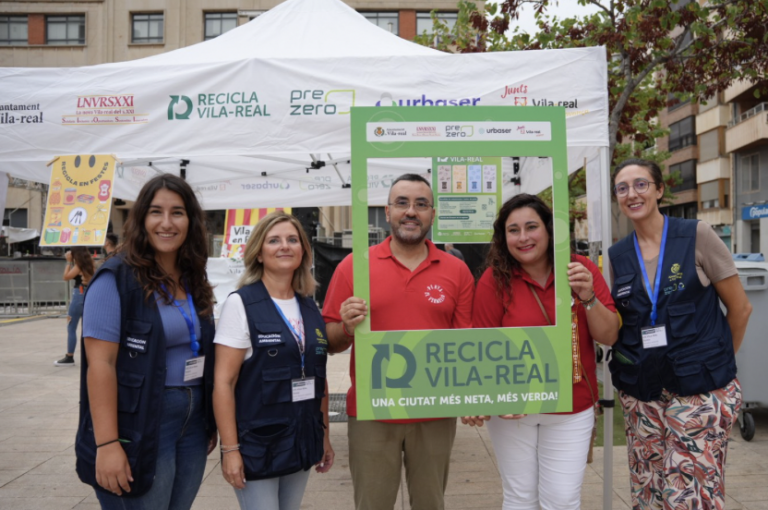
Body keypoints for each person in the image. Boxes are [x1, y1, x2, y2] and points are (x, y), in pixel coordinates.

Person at [323, 173, 474, 510]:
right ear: (388, 211)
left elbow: (466, 342)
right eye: (402, 203)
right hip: (372, 410)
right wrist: (345, 327)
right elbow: (329, 342)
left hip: (436, 409)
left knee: (431, 503)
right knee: (372, 504)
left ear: (433, 214)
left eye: (421, 204)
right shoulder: (353, 267)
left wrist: (471, 400)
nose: (411, 211)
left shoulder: (456, 270)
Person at [609, 158, 751, 510]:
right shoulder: (616, 255)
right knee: (649, 491)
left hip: (701, 392)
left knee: (690, 494)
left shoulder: (697, 235)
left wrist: (716, 367)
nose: (632, 194)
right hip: (643, 393)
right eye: (622, 188)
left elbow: (741, 308)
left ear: (659, 190)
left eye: (641, 184)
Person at [466, 193, 619, 510]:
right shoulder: (494, 281)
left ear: (550, 230)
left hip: (571, 407)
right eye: (513, 230)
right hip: (514, 409)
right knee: (520, 498)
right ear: (502, 236)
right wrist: (492, 396)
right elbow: (481, 349)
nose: (523, 237)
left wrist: (588, 296)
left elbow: (609, 335)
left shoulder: (581, 269)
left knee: (562, 500)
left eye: (531, 227)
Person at [74, 174, 217, 509]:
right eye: (156, 212)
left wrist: (206, 416)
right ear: (141, 220)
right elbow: (101, 365)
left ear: (191, 221)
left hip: (193, 419)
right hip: (139, 419)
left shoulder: (192, 277)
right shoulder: (115, 278)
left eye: (177, 212)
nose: (166, 223)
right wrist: (107, 443)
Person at [213, 211, 334, 510]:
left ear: (303, 250)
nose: (285, 246)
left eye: (293, 240)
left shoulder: (309, 306)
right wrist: (230, 450)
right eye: (274, 240)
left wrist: (325, 436)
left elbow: (320, 378)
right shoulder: (241, 304)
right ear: (259, 252)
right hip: (258, 444)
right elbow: (223, 384)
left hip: (302, 438)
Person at [54, 247, 95, 366]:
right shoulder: (90, 263)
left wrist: (68, 261)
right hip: (89, 293)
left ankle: (69, 356)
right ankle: (90, 357)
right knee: (87, 328)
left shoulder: (79, 266)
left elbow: (66, 277)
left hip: (79, 294)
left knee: (71, 327)